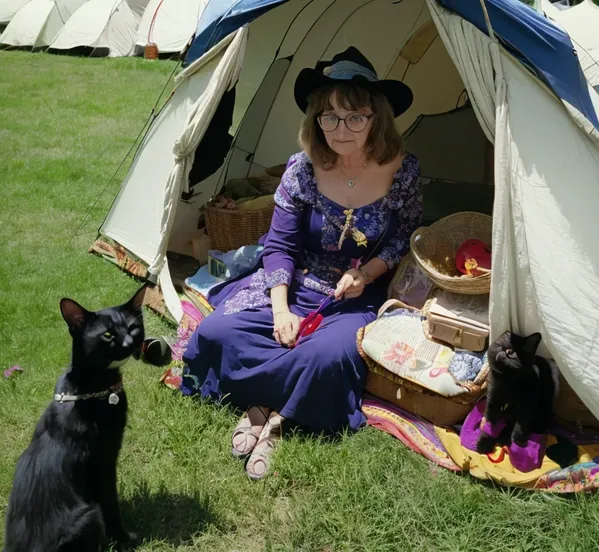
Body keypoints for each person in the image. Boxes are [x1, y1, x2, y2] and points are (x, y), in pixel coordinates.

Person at [180, 47, 423, 479]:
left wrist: (367, 272)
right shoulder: (302, 170)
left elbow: (406, 236)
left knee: (326, 357)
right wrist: (279, 310)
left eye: (355, 117)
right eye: (328, 116)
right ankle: (267, 401)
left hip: (354, 296)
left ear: (377, 118)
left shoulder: (403, 172)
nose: (339, 129)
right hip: (292, 284)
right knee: (217, 331)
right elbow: (279, 245)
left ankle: (273, 420)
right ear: (315, 119)